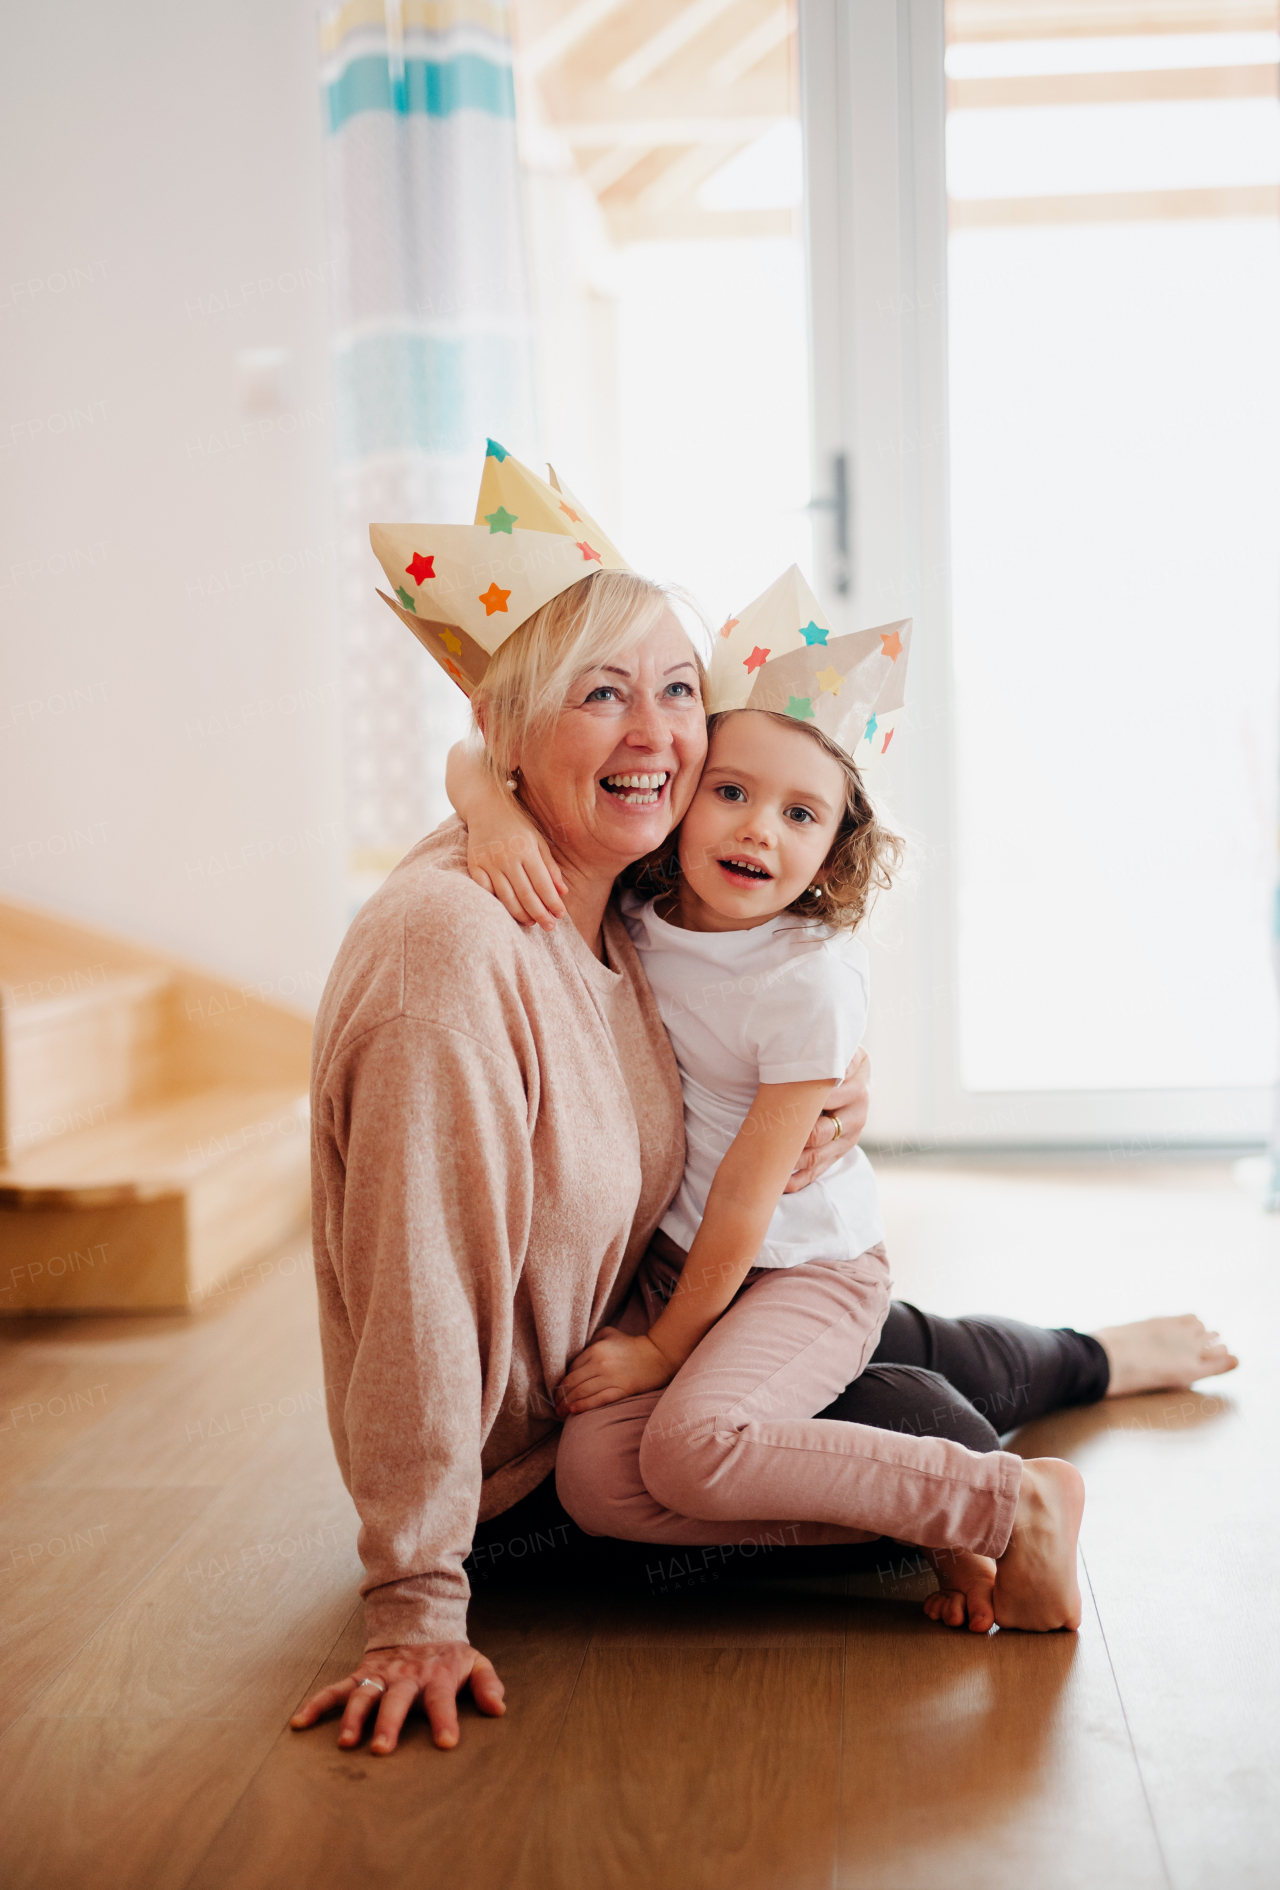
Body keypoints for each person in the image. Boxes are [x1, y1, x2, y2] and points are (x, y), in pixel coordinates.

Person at [291, 446, 1237, 1759]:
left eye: (679, 691)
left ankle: (1092, 1355)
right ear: (508, 731)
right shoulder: (458, 948)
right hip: (543, 1466)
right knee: (910, 1410)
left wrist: (828, 1093)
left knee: (877, 1322)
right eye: (600, 693)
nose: (661, 736)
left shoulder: (622, 883)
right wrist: (415, 1601)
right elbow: (419, 1288)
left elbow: (776, 975)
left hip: (688, 1295)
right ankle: (1002, 1486)